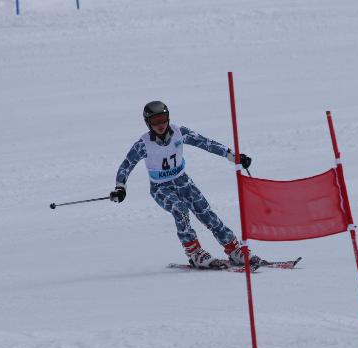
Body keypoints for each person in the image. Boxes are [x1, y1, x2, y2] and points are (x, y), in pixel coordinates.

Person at [110, 100, 261, 269]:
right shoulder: (143, 144)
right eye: (155, 121)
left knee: (206, 212)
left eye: (163, 119)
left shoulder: (179, 132)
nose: (160, 125)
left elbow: (205, 143)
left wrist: (232, 155)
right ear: (148, 123)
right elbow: (126, 165)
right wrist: (120, 187)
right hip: (160, 188)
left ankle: (233, 248)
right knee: (180, 210)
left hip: (183, 181)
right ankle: (194, 253)